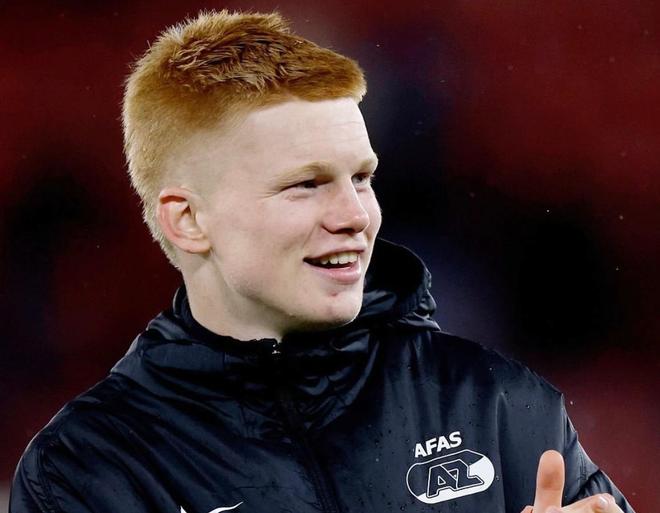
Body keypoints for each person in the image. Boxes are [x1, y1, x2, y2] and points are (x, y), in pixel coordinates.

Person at [10, 10, 634, 513]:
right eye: (305, 184)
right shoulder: (89, 470)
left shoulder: (497, 404)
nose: (356, 215)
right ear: (189, 220)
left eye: (362, 178)